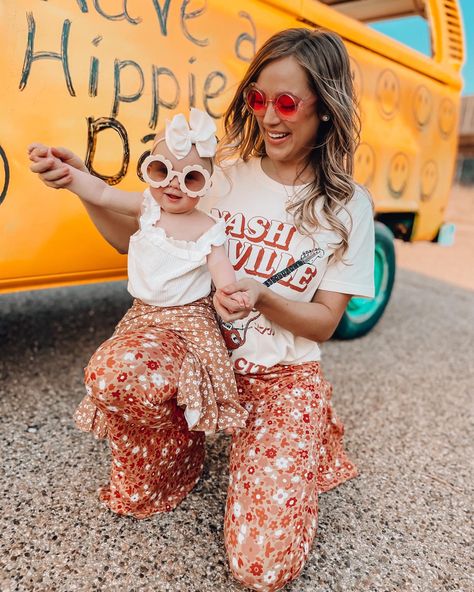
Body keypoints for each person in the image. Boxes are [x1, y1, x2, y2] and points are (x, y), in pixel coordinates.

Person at [29, 27, 374, 592]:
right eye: (257, 100)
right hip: (198, 350)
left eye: (286, 102)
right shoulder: (221, 179)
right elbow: (132, 232)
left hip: (281, 375)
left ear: (327, 108)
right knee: (116, 374)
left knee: (261, 570)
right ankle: (180, 456)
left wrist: (262, 294)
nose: (268, 116)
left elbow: (326, 322)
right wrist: (76, 183)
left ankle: (311, 431)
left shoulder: (348, 208)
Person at [29, 107, 250, 519]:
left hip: (188, 321)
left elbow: (223, 276)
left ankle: (180, 437)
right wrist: (64, 171)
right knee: (118, 373)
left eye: (191, 178)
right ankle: (152, 444)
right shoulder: (147, 207)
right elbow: (101, 193)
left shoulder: (208, 228)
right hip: (144, 317)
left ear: (206, 186)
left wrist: (230, 298)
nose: (173, 185)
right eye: (162, 170)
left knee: (185, 384)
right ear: (149, 171)